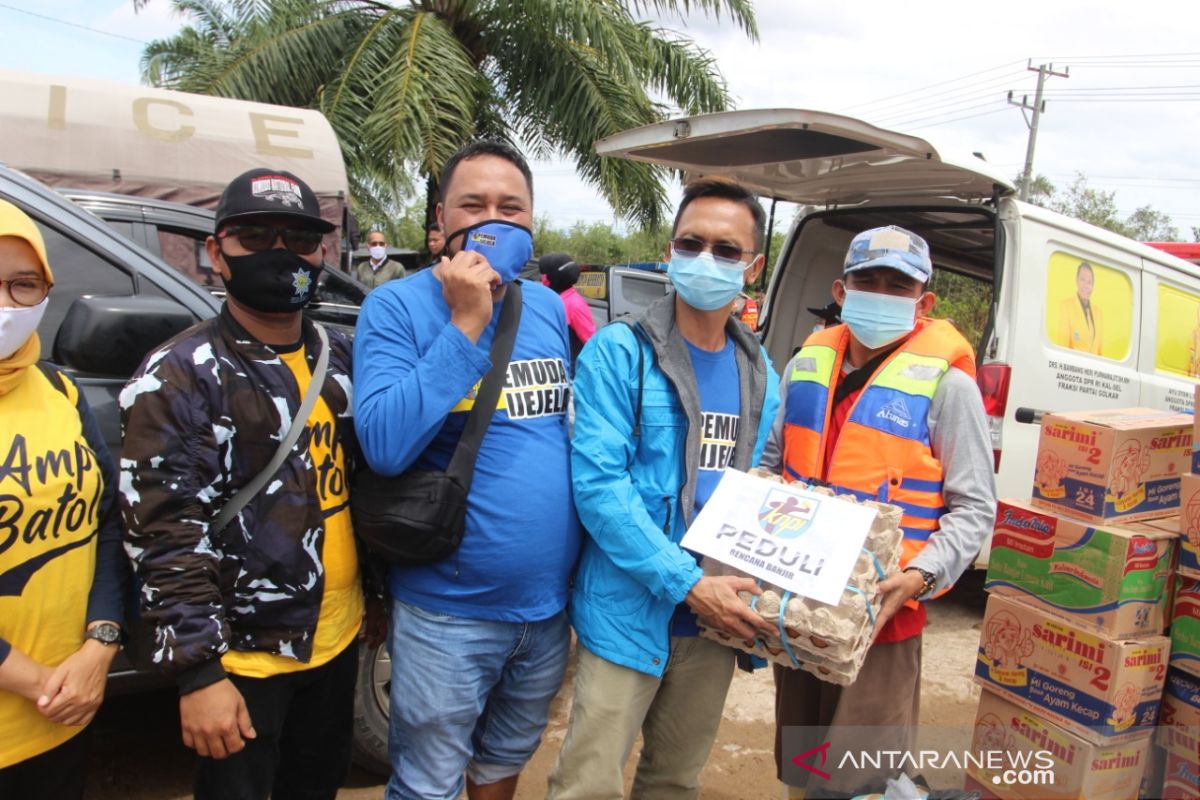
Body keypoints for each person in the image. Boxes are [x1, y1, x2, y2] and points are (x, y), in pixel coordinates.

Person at [120, 168, 379, 800]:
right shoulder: (179, 374)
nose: (279, 254)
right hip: (241, 661)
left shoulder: (343, 355)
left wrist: (382, 597)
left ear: (322, 252)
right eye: (254, 236)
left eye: (298, 238)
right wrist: (197, 674)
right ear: (216, 252)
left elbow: (369, 486)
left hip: (337, 639)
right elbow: (161, 533)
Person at [354, 141, 579, 800]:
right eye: (473, 205)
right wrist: (466, 321)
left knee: (502, 764)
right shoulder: (395, 308)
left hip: (545, 612)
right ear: (441, 220)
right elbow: (386, 444)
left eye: (512, 208)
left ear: (533, 222)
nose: (494, 220)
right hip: (447, 616)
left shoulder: (545, 309)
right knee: (428, 783)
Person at [547, 177, 780, 800]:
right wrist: (687, 584)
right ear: (671, 250)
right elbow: (599, 490)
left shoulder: (760, 373)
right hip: (629, 613)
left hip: (712, 626)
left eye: (726, 250)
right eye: (691, 242)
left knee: (675, 782)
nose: (707, 259)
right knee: (587, 786)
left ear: (752, 268)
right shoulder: (619, 354)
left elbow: (756, 490)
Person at [763, 225, 996, 798]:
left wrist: (918, 578)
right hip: (799, 608)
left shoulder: (950, 386)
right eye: (869, 281)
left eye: (900, 285)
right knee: (806, 766)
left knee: (867, 778)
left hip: (885, 617)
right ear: (841, 291)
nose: (882, 293)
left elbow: (975, 508)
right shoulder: (805, 366)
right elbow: (770, 464)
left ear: (925, 301)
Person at [0, 200, 129, 798]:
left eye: (23, 285)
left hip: (64, 717)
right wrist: (33, 680)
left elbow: (102, 524)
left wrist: (99, 646)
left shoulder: (61, 391)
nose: (5, 302)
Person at [538, 252, 596, 361]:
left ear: (554, 276)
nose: (542, 279)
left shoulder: (574, 304)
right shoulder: (552, 298)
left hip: (570, 370)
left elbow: (591, 341)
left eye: (544, 275)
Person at [1058, 260, 1103, 354]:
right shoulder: (1066, 307)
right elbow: (1062, 350)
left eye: (1089, 282)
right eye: (1082, 280)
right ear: (1076, 281)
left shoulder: (1098, 313)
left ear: (1093, 285)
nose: (1086, 286)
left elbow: (1100, 352)